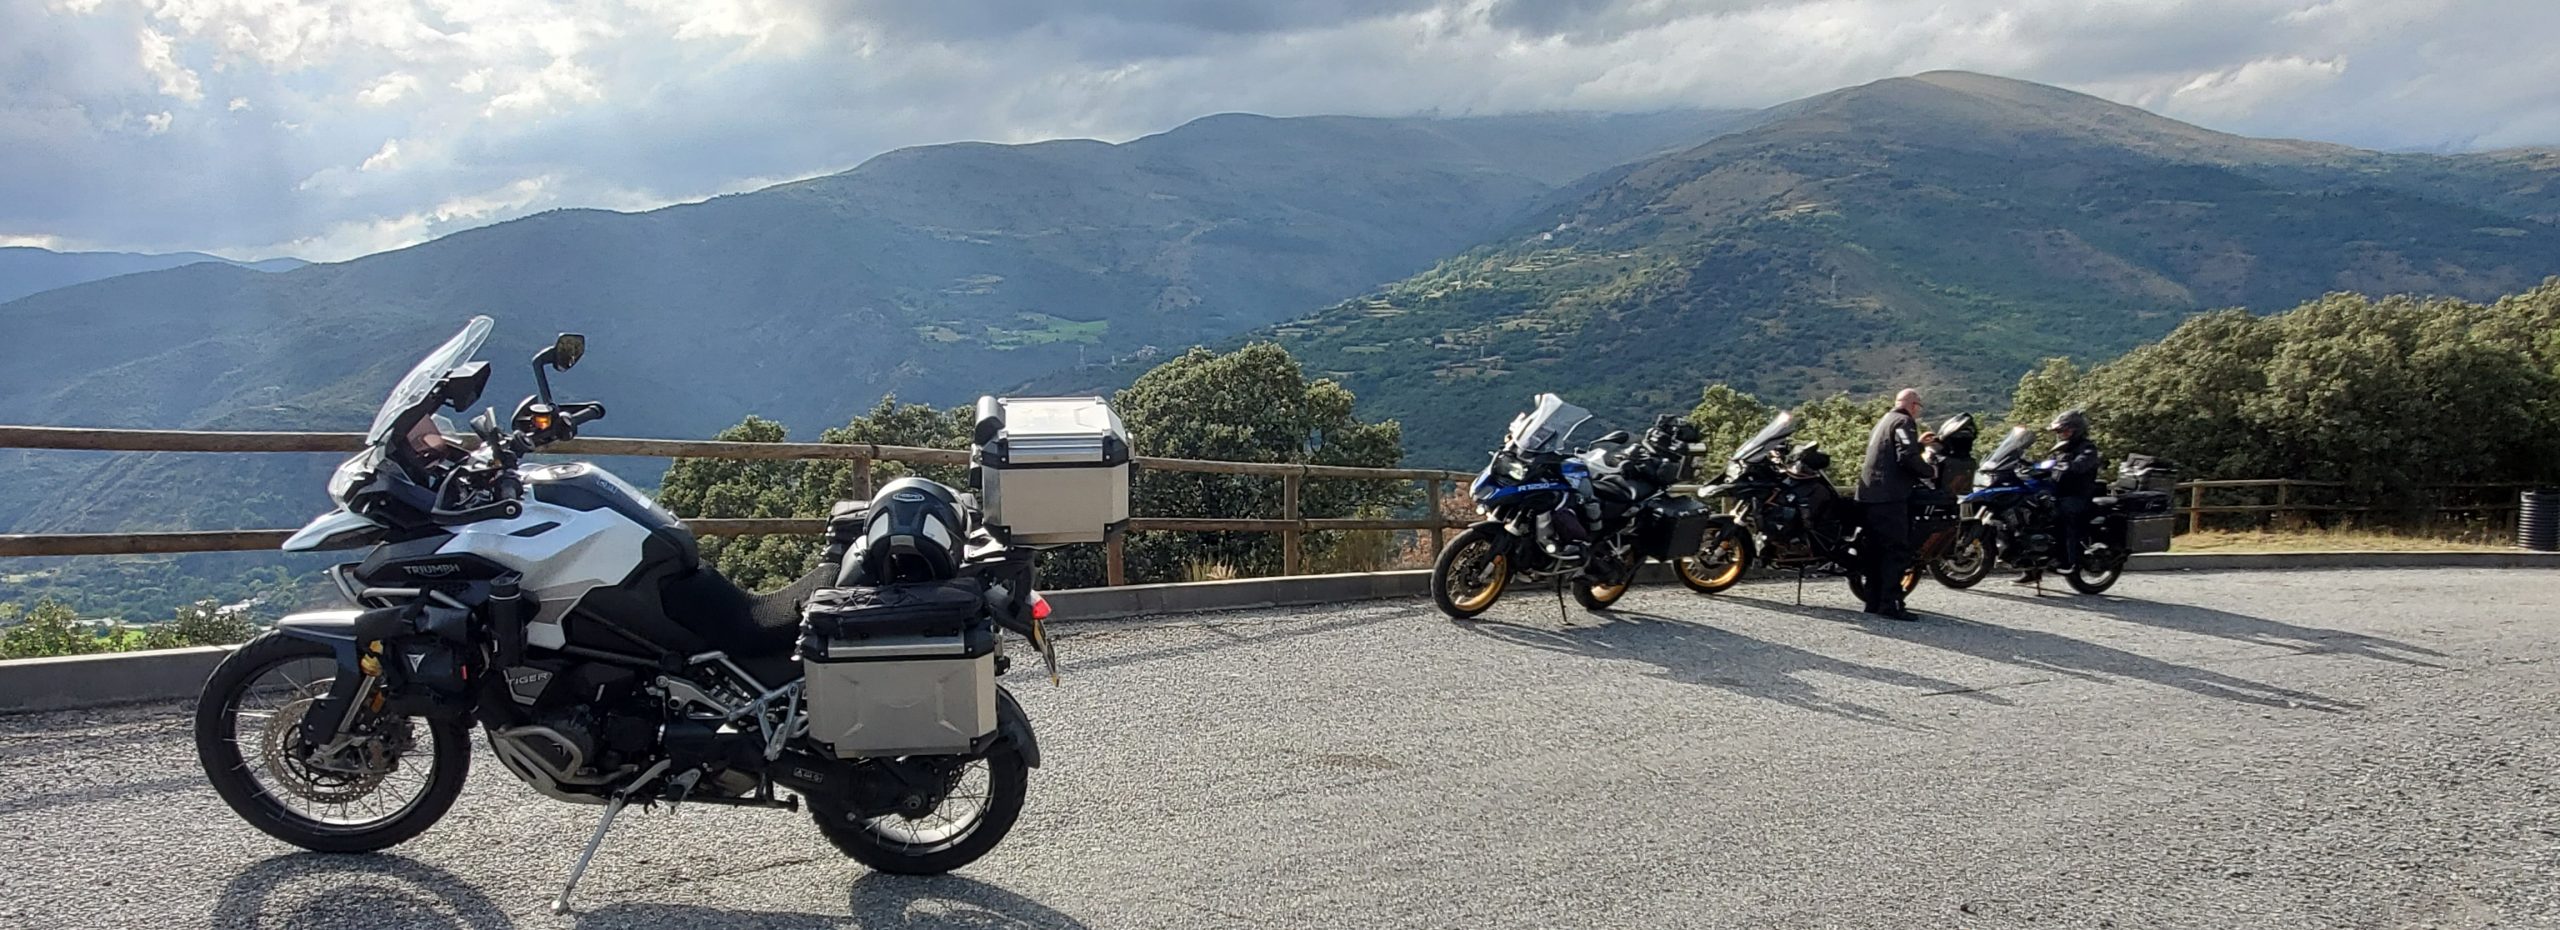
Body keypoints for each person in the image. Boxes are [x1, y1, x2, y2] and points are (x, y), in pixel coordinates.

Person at [1854, 389, 1935, 620]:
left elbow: (1893, 449)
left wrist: (1918, 445)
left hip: (1868, 496)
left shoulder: (1885, 420)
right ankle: (1891, 604)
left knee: (1874, 552)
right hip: (1889, 498)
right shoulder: (1904, 421)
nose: (1918, 412)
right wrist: (1929, 471)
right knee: (1895, 551)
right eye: (1918, 407)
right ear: (1913, 405)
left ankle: (1873, 601)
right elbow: (1906, 456)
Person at [2017, 408, 2101, 585]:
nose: (2062, 434)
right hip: (2057, 492)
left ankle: (2069, 561)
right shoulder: (2061, 449)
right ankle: (2032, 567)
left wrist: (2067, 466)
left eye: (2065, 430)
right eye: (2060, 431)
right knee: (2031, 515)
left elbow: (2080, 465)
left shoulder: (2087, 448)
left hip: (2078, 496)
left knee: (2063, 515)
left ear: (2077, 430)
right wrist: (2029, 466)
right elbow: (2049, 465)